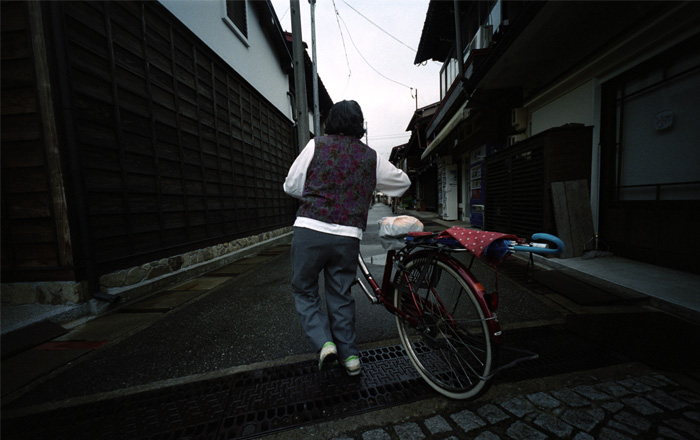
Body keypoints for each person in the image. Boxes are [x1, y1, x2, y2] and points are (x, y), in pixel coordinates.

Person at [283, 100, 410, 376]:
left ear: (331, 122)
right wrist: (364, 184)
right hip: (348, 236)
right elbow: (402, 183)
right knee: (340, 294)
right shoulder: (370, 157)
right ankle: (350, 357)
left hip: (310, 229)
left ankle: (324, 343)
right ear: (359, 125)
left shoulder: (317, 145)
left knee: (305, 289)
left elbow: (291, 184)